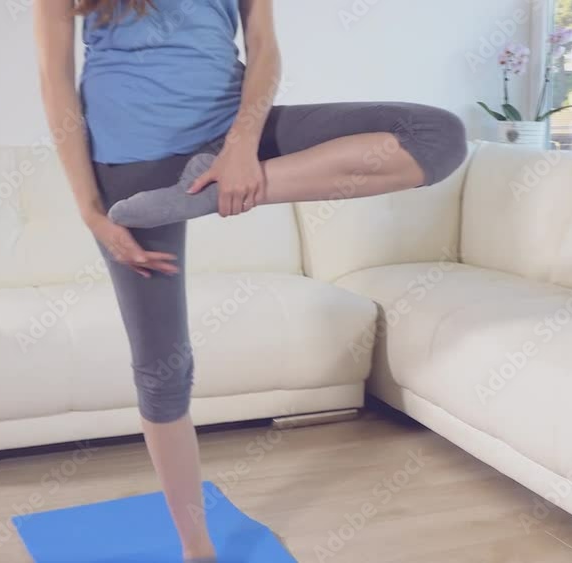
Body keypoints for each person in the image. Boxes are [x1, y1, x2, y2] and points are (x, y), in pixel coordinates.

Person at [33, 1, 467, 560]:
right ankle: (198, 550)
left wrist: (241, 150)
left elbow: (263, 49)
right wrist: (92, 212)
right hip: (129, 165)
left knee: (437, 135)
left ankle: (210, 195)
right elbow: (55, 87)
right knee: (164, 368)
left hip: (231, 132)